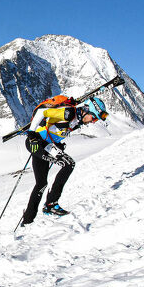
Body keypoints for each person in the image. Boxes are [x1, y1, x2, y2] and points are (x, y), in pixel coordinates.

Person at [22, 97, 108, 226]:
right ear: (86, 110)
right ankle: (51, 204)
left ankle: (28, 220)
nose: (93, 122)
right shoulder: (69, 113)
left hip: (45, 144)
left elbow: (54, 128)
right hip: (37, 143)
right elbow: (42, 113)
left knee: (41, 183)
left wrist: (58, 144)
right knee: (69, 164)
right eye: (94, 117)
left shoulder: (77, 121)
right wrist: (32, 134)